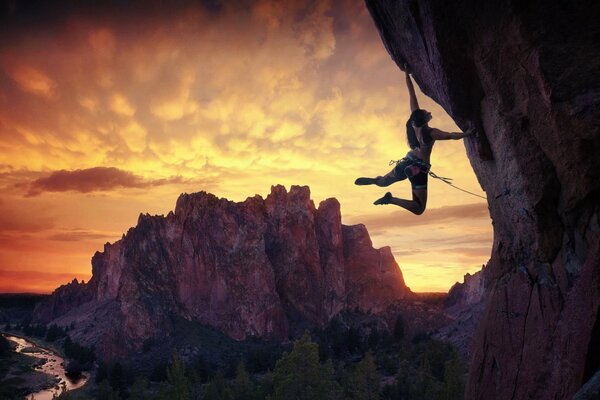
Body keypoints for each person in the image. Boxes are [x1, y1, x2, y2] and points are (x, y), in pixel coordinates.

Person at [354, 65, 475, 215]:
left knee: (385, 181)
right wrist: (468, 133)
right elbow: (450, 135)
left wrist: (407, 74)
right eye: (427, 113)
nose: (429, 112)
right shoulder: (430, 132)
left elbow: (412, 95)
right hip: (418, 169)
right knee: (419, 208)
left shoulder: (413, 123)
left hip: (407, 160)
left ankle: (375, 181)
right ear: (424, 119)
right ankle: (390, 200)